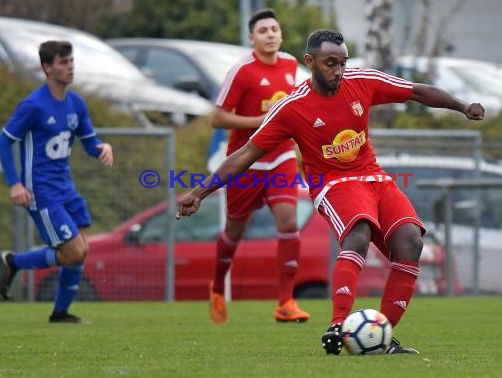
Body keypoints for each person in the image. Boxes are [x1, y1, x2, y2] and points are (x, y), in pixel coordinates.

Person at [176, 29, 484, 353]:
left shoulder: (361, 81)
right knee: (359, 233)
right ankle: (338, 325)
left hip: (373, 177)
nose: (338, 71)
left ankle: (380, 337)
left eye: (343, 63)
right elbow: (244, 154)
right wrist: (199, 192)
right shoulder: (291, 108)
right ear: (310, 62)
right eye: (330, 63)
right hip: (332, 184)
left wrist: (462, 107)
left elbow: (417, 92)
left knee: (411, 242)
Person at [0, 40, 113, 323]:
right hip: (41, 191)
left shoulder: (75, 103)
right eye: (63, 62)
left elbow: (88, 142)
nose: (70, 67)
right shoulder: (34, 105)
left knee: (79, 251)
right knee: (73, 251)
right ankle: (14, 263)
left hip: (66, 188)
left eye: (71, 61)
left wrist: (102, 147)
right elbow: (3, 141)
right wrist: (15, 183)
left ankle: (60, 313)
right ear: (47, 68)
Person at [207, 8, 310, 324]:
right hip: (245, 160)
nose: (270, 34)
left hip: (280, 156)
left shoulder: (292, 64)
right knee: (234, 231)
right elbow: (217, 117)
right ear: (251, 38)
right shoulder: (243, 71)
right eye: (263, 30)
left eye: (274, 29)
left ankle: (286, 302)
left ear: (281, 34)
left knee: (289, 221)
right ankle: (217, 286)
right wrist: (259, 122)